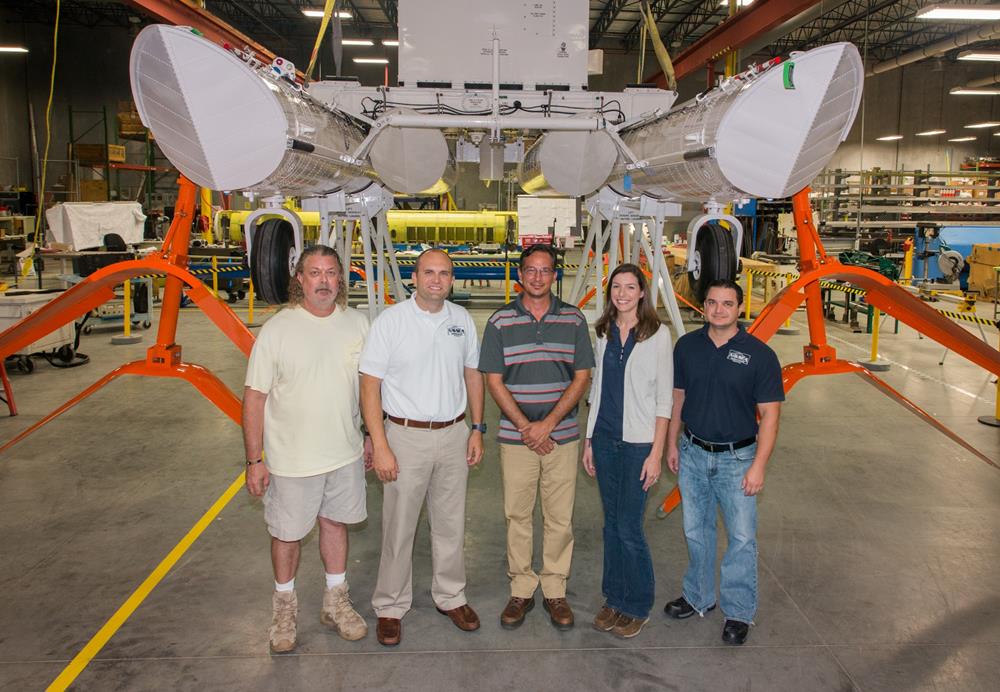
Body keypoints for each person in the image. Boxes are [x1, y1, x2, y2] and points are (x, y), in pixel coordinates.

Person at [243, 245, 371, 654]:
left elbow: (370, 389)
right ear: (299, 279)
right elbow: (254, 398)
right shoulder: (278, 330)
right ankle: (284, 609)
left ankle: (335, 602)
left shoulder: (358, 324)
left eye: (331, 273)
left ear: (340, 279)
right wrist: (254, 459)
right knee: (287, 534)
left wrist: (371, 434)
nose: (323, 281)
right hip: (291, 461)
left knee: (336, 525)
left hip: (345, 453)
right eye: (314, 273)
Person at [360, 249, 485, 647]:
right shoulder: (391, 322)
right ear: (414, 277)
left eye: (444, 273)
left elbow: (473, 376)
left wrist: (477, 428)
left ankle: (450, 596)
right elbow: (369, 384)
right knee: (399, 527)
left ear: (452, 279)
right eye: (428, 273)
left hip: (453, 435)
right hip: (404, 437)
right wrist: (379, 442)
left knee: (451, 524)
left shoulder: (461, 321)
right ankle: (390, 606)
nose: (436, 280)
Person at [479, 243, 594, 630]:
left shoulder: (574, 320)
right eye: (531, 270)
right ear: (520, 275)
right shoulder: (499, 323)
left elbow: (582, 378)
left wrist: (547, 425)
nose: (538, 277)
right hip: (516, 439)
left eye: (545, 271)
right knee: (518, 514)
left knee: (560, 517)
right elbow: (493, 381)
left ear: (555, 276)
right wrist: (528, 428)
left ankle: (555, 589)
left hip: (561, 437)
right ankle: (522, 588)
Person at [663, 279, 783, 646]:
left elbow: (770, 414)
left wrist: (758, 465)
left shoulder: (760, 355)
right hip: (693, 453)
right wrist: (673, 445)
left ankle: (738, 611)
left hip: (738, 458)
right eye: (712, 303)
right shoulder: (686, 347)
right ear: (703, 307)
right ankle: (699, 597)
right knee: (696, 531)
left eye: (727, 303)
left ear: (740, 308)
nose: (719, 309)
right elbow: (678, 399)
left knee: (742, 539)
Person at [582, 263, 672, 639]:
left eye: (630, 287)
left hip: (638, 445)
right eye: (616, 287)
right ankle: (614, 598)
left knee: (629, 527)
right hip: (604, 439)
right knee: (610, 525)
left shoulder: (658, 335)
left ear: (641, 293)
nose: (622, 293)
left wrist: (656, 453)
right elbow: (598, 389)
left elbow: (664, 399)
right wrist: (588, 439)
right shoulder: (602, 332)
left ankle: (637, 605)